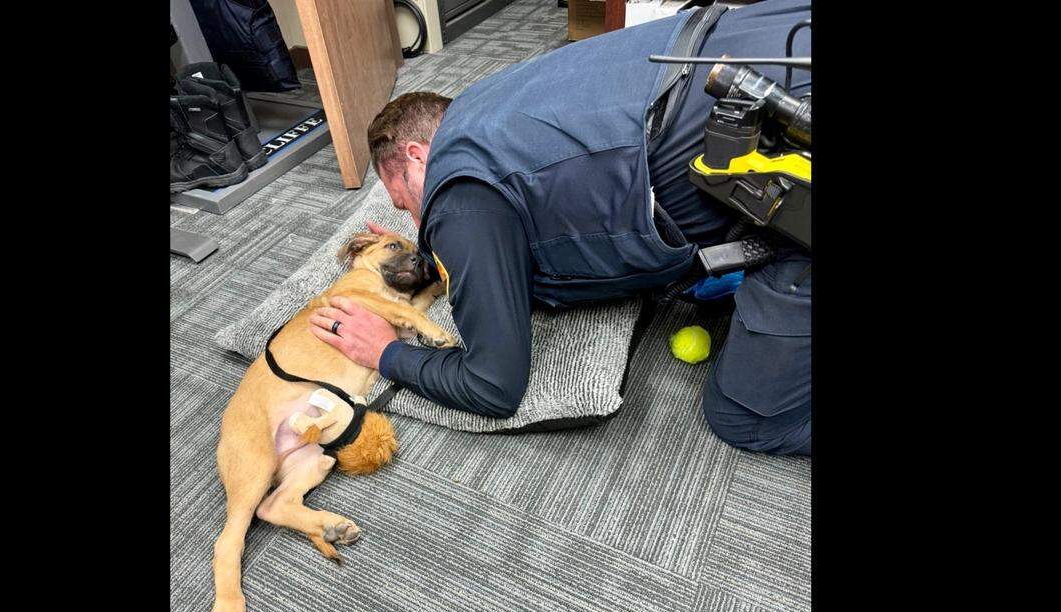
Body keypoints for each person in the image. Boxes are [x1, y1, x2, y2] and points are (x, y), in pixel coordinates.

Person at [308, 0, 811, 456]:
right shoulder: (492, 100)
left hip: (793, 145)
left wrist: (385, 352)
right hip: (774, 34)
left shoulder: (461, 199)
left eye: (407, 204)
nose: (420, 223)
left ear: (418, 157)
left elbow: (492, 386)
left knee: (744, 420)